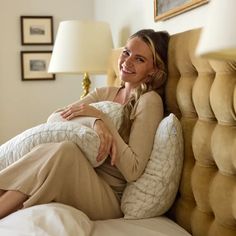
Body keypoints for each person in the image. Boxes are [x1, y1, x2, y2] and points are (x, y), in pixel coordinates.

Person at [0, 29, 169, 220]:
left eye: (140, 59)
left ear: (153, 70)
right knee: (61, 148)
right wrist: (95, 122)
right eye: (126, 52)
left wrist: (103, 118)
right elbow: (55, 120)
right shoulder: (104, 93)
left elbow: (133, 171)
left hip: (107, 196)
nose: (127, 62)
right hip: (82, 175)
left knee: (65, 153)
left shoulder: (149, 101)